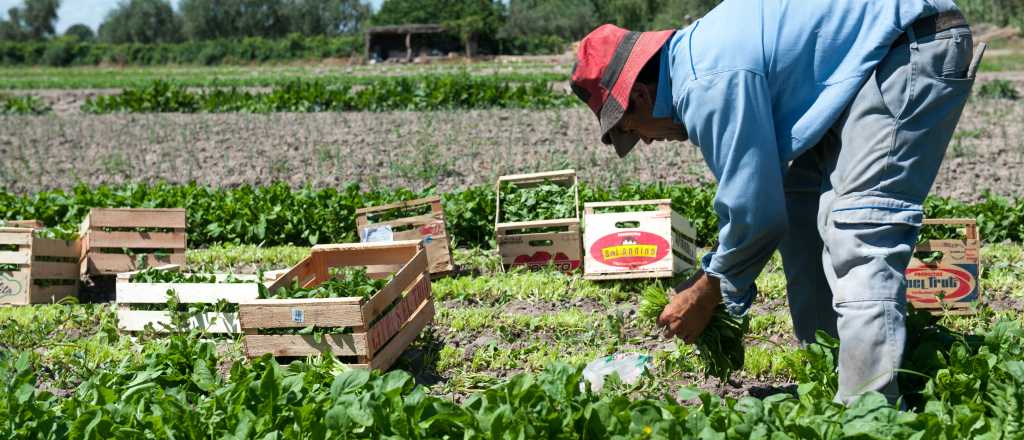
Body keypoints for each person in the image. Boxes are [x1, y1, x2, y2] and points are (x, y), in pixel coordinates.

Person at [570, 0, 983, 404]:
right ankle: (829, 375)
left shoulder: (706, 81)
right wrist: (715, 278)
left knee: (859, 229)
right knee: (801, 208)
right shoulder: (699, 61)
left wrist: (707, 291)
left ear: (641, 95)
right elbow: (767, 202)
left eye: (631, 128)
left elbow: (755, 213)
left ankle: (867, 411)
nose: (645, 140)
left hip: (908, 45)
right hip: (863, 67)